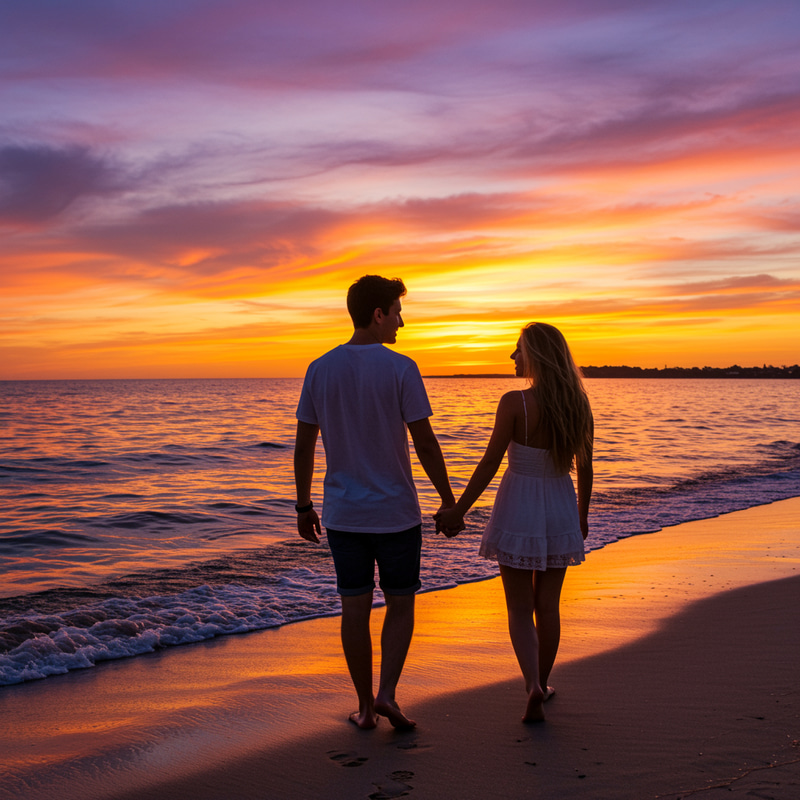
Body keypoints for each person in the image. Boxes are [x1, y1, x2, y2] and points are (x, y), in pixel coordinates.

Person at [294, 275, 458, 730]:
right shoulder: (401, 368)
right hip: (396, 514)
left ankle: (365, 707)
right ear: (378, 313)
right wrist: (448, 500)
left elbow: (304, 444)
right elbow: (425, 443)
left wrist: (303, 505)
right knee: (401, 604)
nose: (402, 322)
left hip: (344, 515)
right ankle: (387, 693)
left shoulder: (320, 368)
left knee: (354, 609)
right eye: (397, 311)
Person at [437, 322, 593, 723]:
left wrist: (459, 511)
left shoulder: (514, 402)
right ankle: (543, 680)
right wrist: (581, 516)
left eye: (518, 349)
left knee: (520, 608)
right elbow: (586, 467)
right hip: (559, 503)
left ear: (536, 355)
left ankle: (532, 686)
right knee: (549, 605)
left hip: (519, 503)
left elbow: (490, 463)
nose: (512, 357)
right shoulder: (578, 404)